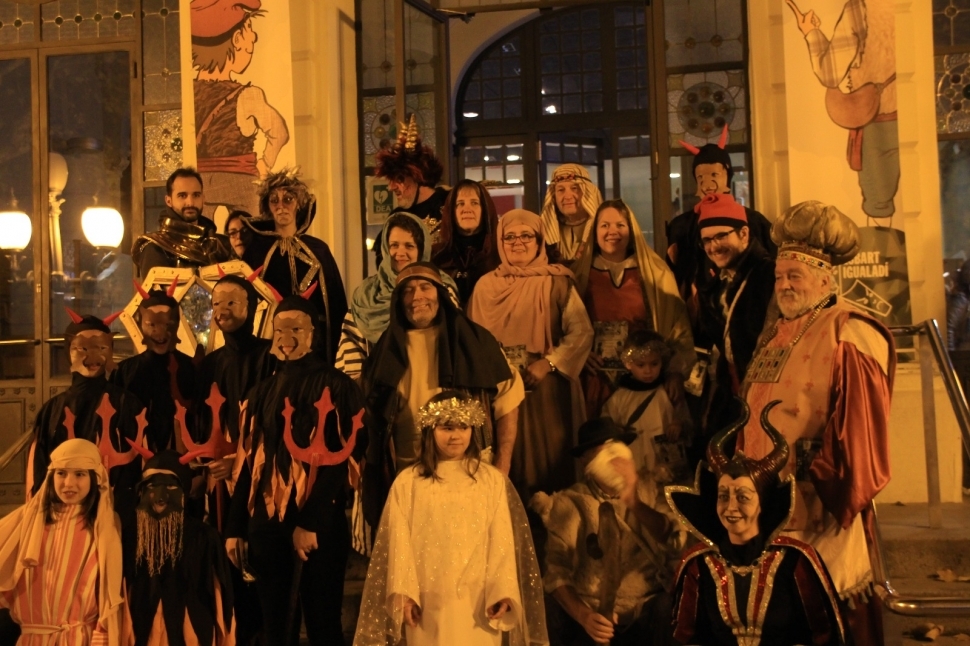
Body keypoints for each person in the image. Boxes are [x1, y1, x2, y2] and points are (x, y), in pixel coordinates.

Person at [739, 200, 894, 645]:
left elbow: (861, 432)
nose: (784, 285)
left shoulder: (850, 330)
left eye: (795, 275)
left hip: (820, 507)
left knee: (823, 616)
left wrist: (832, 487)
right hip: (765, 502)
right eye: (779, 276)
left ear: (825, 278)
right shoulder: (777, 331)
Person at [354, 391, 547, 646]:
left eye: (463, 427)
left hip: (478, 598)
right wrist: (404, 593)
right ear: (430, 430)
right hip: (428, 597)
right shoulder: (409, 482)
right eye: (446, 428)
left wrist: (503, 589)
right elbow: (399, 541)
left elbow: (501, 537)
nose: (456, 436)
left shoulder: (490, 480)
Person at [227, 294, 365, 646]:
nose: (286, 337)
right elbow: (248, 462)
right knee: (275, 626)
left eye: (296, 329)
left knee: (323, 624)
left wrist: (311, 522)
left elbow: (344, 458)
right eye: (280, 329)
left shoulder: (339, 388)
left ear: (313, 334)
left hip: (318, 524)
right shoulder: (259, 393)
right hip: (266, 524)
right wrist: (235, 527)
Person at [360, 262, 524, 531]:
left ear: (440, 293)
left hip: (469, 475)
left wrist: (502, 465)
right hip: (408, 478)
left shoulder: (477, 342)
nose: (417, 296)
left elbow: (508, 403)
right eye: (408, 290)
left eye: (425, 287)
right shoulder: (383, 354)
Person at [668, 401, 846, 645]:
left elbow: (824, 635)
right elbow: (683, 637)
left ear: (762, 503)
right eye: (723, 496)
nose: (731, 507)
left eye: (743, 497)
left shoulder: (795, 560)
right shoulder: (698, 564)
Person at [468, 209, 593, 496]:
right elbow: (472, 341)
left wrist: (548, 363)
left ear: (539, 241)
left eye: (526, 235)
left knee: (550, 468)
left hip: (546, 391)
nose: (518, 242)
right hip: (499, 393)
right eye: (509, 237)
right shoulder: (485, 287)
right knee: (506, 466)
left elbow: (582, 332)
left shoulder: (558, 281)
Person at [531, 418, 682, 646]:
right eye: (603, 452)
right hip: (592, 610)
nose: (615, 460)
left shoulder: (649, 487)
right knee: (550, 608)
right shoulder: (569, 502)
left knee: (668, 607)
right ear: (586, 462)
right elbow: (555, 572)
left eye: (618, 449)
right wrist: (584, 616)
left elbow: (674, 539)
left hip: (644, 605)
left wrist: (634, 502)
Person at [573, 199, 695, 419]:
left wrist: (675, 371)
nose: (612, 231)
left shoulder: (655, 273)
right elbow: (564, 326)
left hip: (645, 380)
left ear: (632, 230)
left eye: (620, 225)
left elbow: (678, 327)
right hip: (593, 381)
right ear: (594, 231)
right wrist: (579, 352)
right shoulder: (578, 276)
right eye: (604, 225)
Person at [0, 439, 124, 646]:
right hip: (33, 639)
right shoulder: (25, 521)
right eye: (61, 473)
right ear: (51, 476)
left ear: (94, 478)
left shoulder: (105, 526)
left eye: (80, 474)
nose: (68, 483)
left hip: (80, 639)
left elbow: (108, 593)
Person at [29, 311, 144, 514]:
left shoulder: (128, 405)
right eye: (82, 348)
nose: (92, 356)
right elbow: (40, 470)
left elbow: (138, 463)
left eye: (101, 348)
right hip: (64, 514)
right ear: (68, 351)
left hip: (116, 510)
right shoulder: (52, 410)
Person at [122, 450, 234, 646]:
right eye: (152, 486)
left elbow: (219, 597)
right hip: (138, 630)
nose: (160, 496)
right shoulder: (129, 535)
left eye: (170, 486)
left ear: (184, 491)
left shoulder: (204, 537)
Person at [192, 0, 290, 218]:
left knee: (200, 236)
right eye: (249, 30)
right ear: (236, 40)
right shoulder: (248, 96)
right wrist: (265, 164)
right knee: (251, 234)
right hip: (241, 181)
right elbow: (279, 132)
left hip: (200, 183)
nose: (253, 37)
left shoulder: (190, 95)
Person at [242, 169, 348, 365]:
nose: (281, 206)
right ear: (268, 206)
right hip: (271, 342)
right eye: (274, 201)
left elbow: (335, 302)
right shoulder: (257, 251)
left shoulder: (319, 250)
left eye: (288, 199)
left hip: (314, 345)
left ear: (299, 203)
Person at [335, 213, 457, 381]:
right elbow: (351, 345)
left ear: (421, 250)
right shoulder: (367, 294)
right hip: (376, 388)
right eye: (394, 245)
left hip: (431, 382)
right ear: (386, 248)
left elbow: (454, 340)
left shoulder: (440, 288)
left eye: (409, 246)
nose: (400, 252)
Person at [665, 127, 775, 308]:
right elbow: (674, 273)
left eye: (714, 174)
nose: (707, 183)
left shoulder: (754, 221)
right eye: (700, 176)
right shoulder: (681, 226)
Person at [693, 192, 776, 430]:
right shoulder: (714, 285)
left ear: (744, 234)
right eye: (707, 240)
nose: (714, 246)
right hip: (731, 393)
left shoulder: (770, 275)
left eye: (721, 236)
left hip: (768, 396)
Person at [112, 282, 196, 455]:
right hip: (136, 458)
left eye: (167, 324)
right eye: (152, 325)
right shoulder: (124, 371)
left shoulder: (192, 369)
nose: (160, 333)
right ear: (141, 324)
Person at [602, 331, 692, 486]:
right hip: (634, 457)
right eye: (641, 365)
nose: (648, 371)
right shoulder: (619, 397)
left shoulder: (668, 391)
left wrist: (678, 423)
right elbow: (606, 422)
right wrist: (616, 430)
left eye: (654, 364)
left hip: (664, 461)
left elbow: (683, 415)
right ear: (629, 364)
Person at [373, 115, 448, 263]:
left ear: (417, 176)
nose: (391, 187)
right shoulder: (396, 218)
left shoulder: (450, 207)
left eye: (399, 179)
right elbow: (383, 264)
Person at [132, 168, 232, 277]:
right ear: (168, 201)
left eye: (196, 195)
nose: (190, 202)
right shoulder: (156, 247)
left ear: (203, 198)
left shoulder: (222, 246)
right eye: (182, 196)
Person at [431, 179, 501, 305]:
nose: (467, 209)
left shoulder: (500, 254)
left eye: (474, 203)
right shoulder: (436, 256)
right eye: (460, 204)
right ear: (451, 211)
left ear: (485, 209)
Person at [539, 164, 603, 265]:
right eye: (561, 190)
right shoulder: (541, 233)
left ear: (588, 193)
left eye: (575, 188)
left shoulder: (603, 231)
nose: (568, 196)